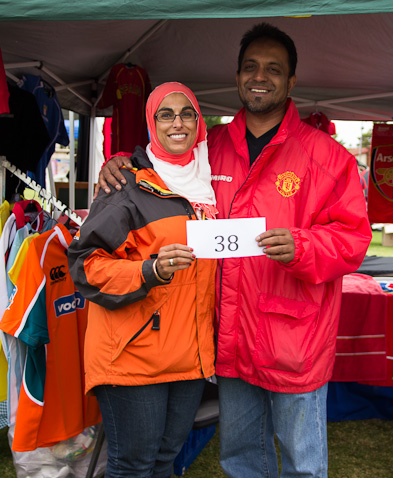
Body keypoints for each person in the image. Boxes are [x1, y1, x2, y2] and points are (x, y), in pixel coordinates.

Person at [97, 23, 372, 478]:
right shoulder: (210, 147)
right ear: (238, 76)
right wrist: (121, 162)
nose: (260, 77)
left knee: (302, 466)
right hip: (230, 337)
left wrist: (302, 244)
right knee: (241, 461)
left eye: (273, 69)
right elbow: (162, 167)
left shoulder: (327, 158)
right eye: (250, 67)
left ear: (291, 81)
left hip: (294, 339)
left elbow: (353, 240)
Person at [68, 82, 218, 478]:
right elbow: (85, 265)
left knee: (165, 460)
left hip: (189, 354)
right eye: (165, 115)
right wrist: (149, 271)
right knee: (134, 465)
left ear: (199, 122)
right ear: (151, 124)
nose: (177, 123)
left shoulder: (211, 182)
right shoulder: (126, 186)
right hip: (133, 353)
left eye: (186, 114)